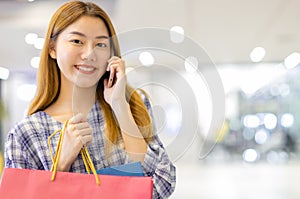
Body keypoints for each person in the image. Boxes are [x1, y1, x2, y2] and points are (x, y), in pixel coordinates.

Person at [4, 1, 176, 198]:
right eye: (77, 41)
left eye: (101, 44)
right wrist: (60, 165)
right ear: (52, 48)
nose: (89, 54)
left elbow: (163, 185)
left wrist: (120, 106)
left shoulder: (132, 107)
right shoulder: (26, 135)